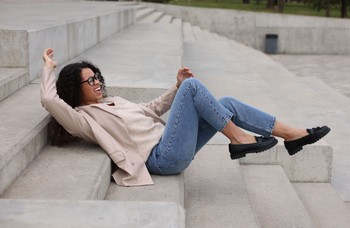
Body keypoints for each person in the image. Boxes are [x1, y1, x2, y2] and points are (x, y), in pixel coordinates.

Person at [41, 48, 330, 187]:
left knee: (225, 102)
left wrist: (175, 85)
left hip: (171, 142)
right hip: (161, 158)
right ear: (74, 91)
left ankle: (291, 135)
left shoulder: (113, 101)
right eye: (90, 82)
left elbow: (153, 109)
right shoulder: (83, 119)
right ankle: (239, 139)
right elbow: (48, 100)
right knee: (195, 88)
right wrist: (48, 67)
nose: (98, 84)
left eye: (97, 78)